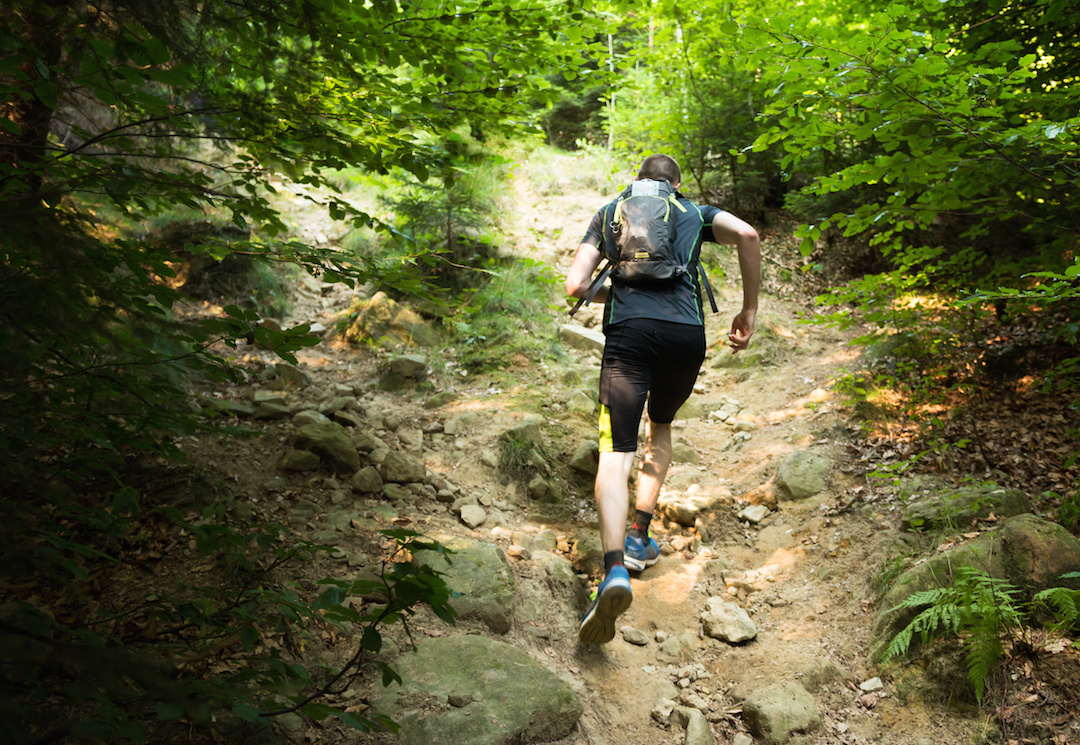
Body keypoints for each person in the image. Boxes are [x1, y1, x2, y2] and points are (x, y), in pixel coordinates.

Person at [564, 153, 760, 645]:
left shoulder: (610, 212)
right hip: (685, 335)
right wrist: (748, 310)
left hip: (630, 335)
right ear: (675, 184)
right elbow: (750, 235)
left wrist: (624, 289)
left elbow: (576, 284)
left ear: (637, 180)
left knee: (615, 453)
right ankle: (639, 536)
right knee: (662, 425)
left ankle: (614, 570)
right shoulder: (695, 212)